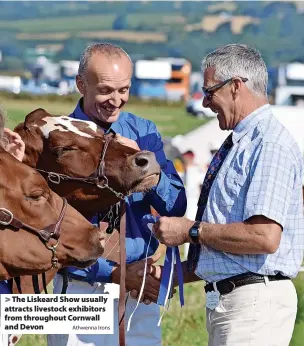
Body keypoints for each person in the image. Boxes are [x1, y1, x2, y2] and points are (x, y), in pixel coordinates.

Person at [143, 44, 304, 346]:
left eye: (209, 91)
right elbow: (227, 249)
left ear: (235, 87)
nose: (204, 102)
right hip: (238, 303)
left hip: (253, 306)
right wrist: (169, 274)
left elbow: (264, 237)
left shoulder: (268, 145)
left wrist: (190, 230)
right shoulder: (244, 143)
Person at [48, 43, 186, 346]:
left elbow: (176, 205)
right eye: (106, 91)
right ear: (81, 84)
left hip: (140, 293)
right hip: (79, 290)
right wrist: (114, 274)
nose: (116, 100)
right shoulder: (57, 141)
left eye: (123, 90)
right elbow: (51, 234)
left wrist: (147, 168)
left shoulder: (143, 131)